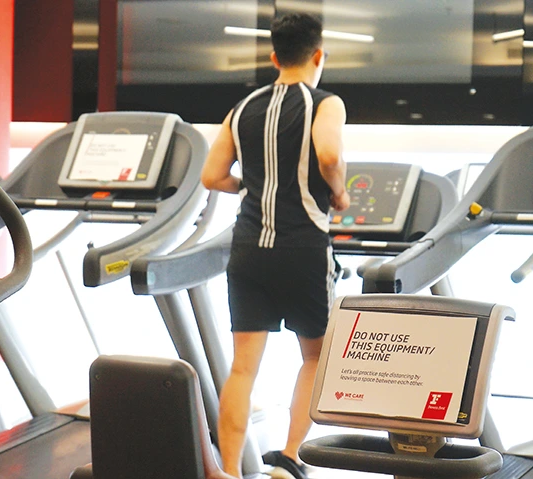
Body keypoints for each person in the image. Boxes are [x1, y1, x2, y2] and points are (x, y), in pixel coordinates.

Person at [200, 12, 350, 479]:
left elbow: (212, 175)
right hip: (303, 248)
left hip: (248, 248)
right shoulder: (326, 103)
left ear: (274, 57)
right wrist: (340, 194)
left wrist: (248, 186)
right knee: (315, 357)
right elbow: (329, 154)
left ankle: (228, 470)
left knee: (242, 369)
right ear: (318, 56)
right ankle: (290, 458)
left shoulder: (242, 108)